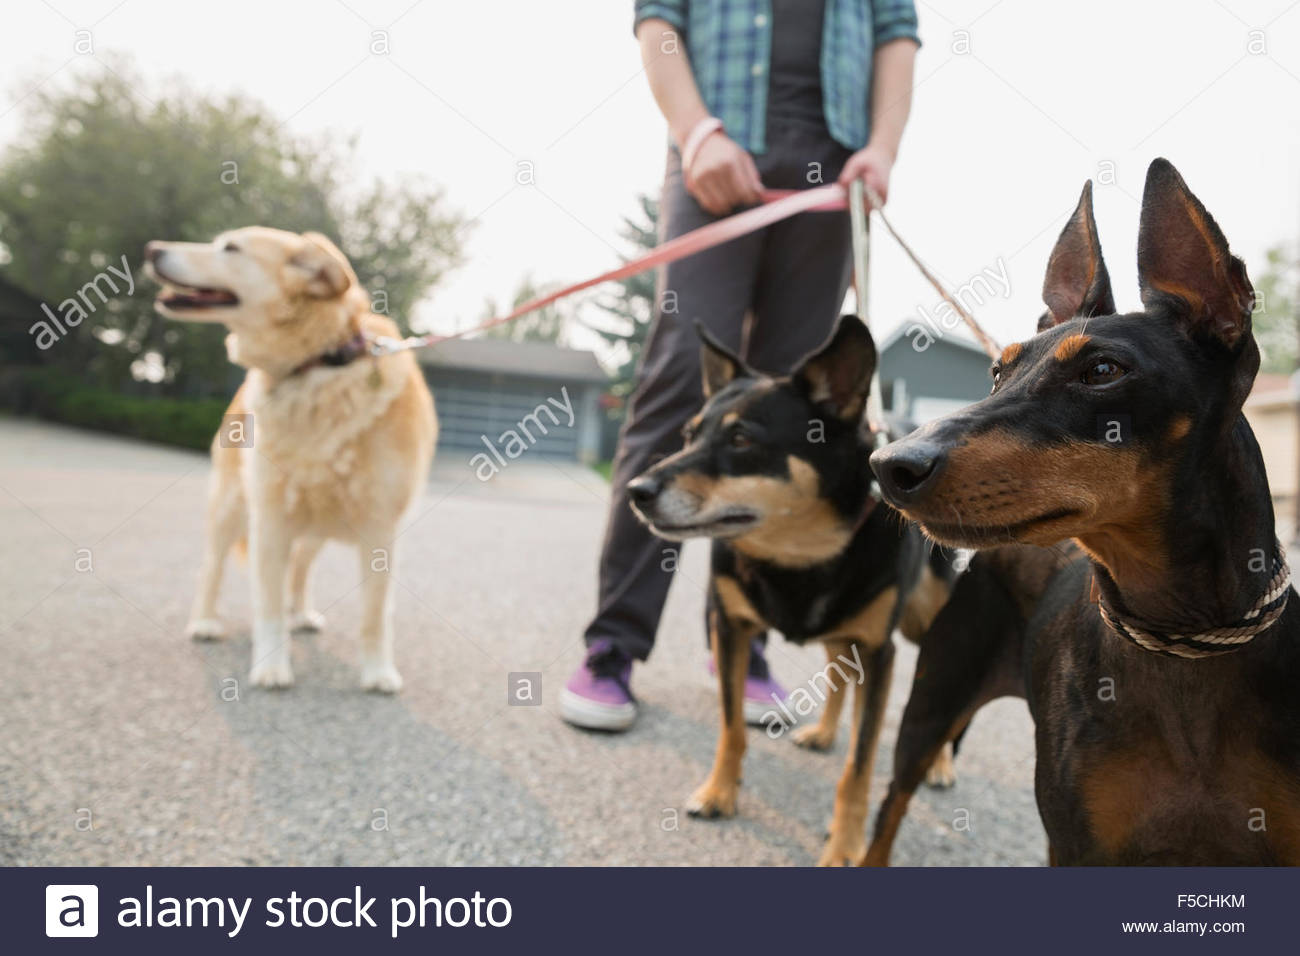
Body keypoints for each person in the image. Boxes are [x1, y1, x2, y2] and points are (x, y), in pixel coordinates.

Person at [562, 0, 920, 731]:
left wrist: (881, 149)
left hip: (832, 166)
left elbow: (896, 36)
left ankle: (745, 640)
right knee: (677, 390)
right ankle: (613, 646)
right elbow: (657, 23)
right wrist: (695, 132)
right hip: (713, 156)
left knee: (792, 417)